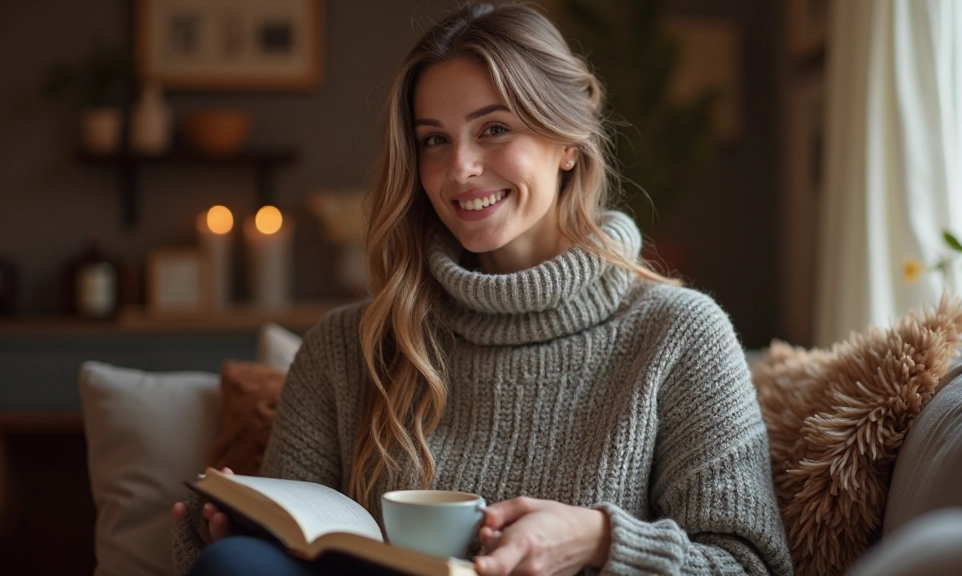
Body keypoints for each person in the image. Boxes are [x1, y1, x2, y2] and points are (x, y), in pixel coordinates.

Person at [171, 3, 794, 575]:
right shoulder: (347, 346)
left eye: (494, 129)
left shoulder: (679, 334)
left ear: (568, 143)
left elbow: (751, 565)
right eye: (434, 140)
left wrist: (603, 541)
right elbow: (293, 543)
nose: (461, 169)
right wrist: (240, 534)